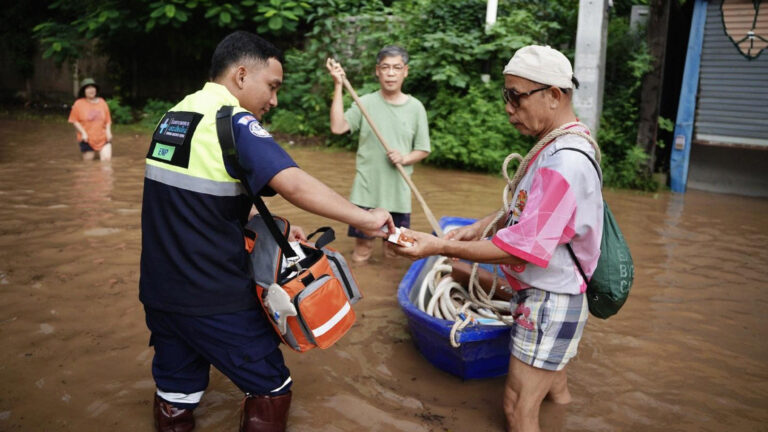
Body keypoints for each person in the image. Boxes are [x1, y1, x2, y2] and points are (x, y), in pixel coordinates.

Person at [139, 31, 394, 432]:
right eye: (271, 87)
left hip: (159, 293)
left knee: (177, 395)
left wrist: (280, 229)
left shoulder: (174, 117)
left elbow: (200, 206)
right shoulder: (234, 121)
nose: (273, 101)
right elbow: (293, 183)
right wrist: (365, 218)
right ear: (241, 75)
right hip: (213, 296)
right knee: (272, 388)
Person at [393, 45, 603, 432]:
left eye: (515, 96)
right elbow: (532, 206)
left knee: (516, 408)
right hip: (556, 291)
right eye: (506, 95)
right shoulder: (563, 142)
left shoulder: (565, 161)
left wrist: (438, 246)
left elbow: (517, 248)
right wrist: (484, 224)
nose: (508, 108)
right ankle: (564, 419)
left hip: (550, 298)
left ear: (554, 95)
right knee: (554, 386)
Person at [326, 45, 431, 263]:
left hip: (399, 194)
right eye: (386, 67)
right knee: (362, 251)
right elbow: (338, 127)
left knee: (394, 253)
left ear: (405, 71)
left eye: (396, 68)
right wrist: (338, 85)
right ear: (377, 71)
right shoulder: (365, 103)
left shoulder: (416, 108)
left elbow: (423, 149)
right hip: (366, 192)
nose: (391, 73)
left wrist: (404, 158)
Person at [68, 78, 112, 161]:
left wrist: (108, 132)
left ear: (96, 89)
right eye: (88, 88)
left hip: (103, 137)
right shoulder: (78, 104)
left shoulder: (102, 102)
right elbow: (74, 121)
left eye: (93, 87)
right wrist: (83, 133)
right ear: (84, 91)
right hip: (86, 139)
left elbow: (108, 120)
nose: (91, 90)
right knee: (88, 165)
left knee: (107, 162)